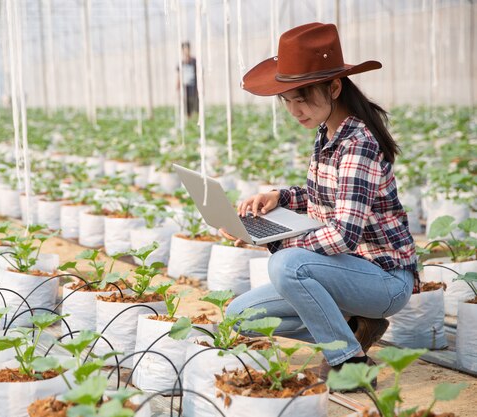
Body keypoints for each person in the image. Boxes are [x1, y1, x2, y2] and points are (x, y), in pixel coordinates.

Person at [220, 23, 418, 385]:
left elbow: (343, 236)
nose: (295, 110)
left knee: (287, 264)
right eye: (288, 101)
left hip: (383, 279)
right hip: (345, 275)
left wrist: (273, 240)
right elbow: (324, 195)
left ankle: (350, 365)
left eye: (303, 98)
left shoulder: (358, 142)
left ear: (335, 87)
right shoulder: (328, 132)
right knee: (240, 316)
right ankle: (356, 328)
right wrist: (280, 197)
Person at [177, 41, 199, 118]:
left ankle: (196, 124)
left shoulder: (194, 61)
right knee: (187, 111)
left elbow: (199, 74)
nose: (186, 51)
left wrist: (201, 88)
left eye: (187, 49)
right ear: (182, 50)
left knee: (196, 109)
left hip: (194, 89)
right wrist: (178, 88)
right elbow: (179, 76)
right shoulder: (181, 63)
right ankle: (189, 122)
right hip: (185, 90)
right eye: (184, 49)